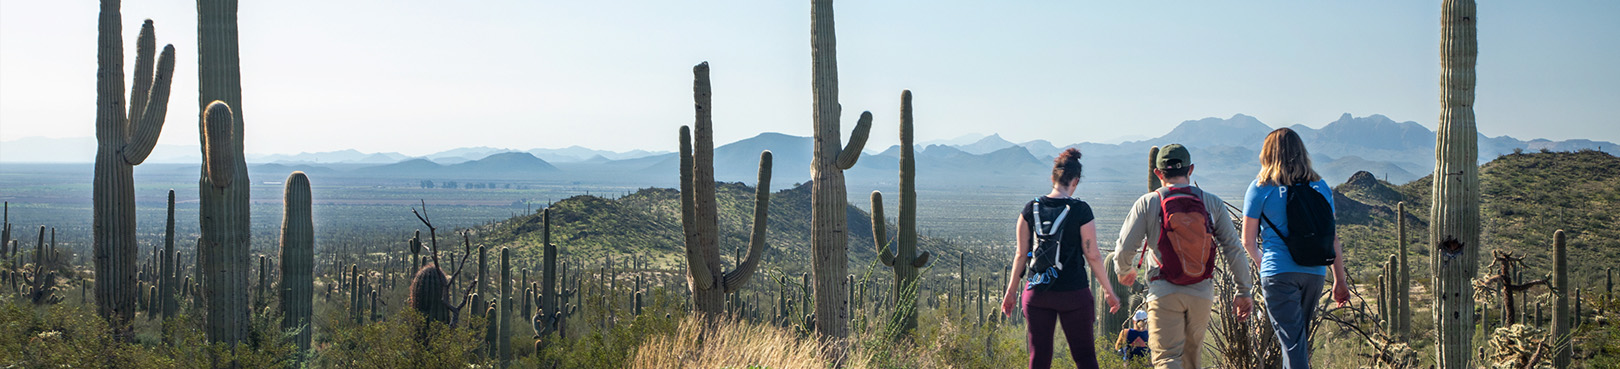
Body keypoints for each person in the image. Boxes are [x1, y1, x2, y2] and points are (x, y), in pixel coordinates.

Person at [1113, 143, 1254, 369]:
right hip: (1201, 292)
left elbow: (1125, 247)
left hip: (1164, 291)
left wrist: (1123, 270)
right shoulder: (1212, 203)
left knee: (1167, 358)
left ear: (1158, 173)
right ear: (1190, 170)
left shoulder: (1149, 202)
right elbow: (1233, 248)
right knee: (1190, 361)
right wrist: (1243, 291)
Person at [1000, 148, 1121, 369]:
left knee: (1039, 358)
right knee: (1085, 358)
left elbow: (1022, 254)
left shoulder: (1031, 208)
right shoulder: (1081, 209)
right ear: (1075, 181)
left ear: (1053, 177)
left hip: (1036, 293)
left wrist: (1011, 292)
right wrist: (1109, 291)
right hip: (1074, 294)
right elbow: (1092, 254)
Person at [1241, 128, 1350, 369]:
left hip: (1278, 272)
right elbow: (1332, 239)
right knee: (1297, 342)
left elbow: (1248, 241)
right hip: (1314, 273)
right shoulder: (1320, 187)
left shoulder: (1261, 187)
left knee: (1292, 345)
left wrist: (1267, 266)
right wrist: (1339, 280)